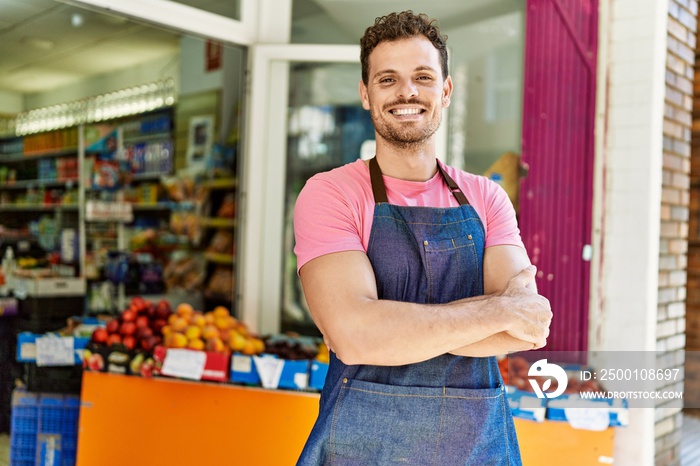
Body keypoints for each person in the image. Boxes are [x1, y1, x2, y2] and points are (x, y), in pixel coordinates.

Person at [293, 10, 552, 465]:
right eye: (387, 79)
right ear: (366, 94)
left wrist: (391, 327)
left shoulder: (486, 197)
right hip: (361, 448)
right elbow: (353, 336)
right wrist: (494, 308)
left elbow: (524, 325)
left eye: (423, 77)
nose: (406, 92)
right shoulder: (330, 193)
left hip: (475, 446)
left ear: (446, 91)